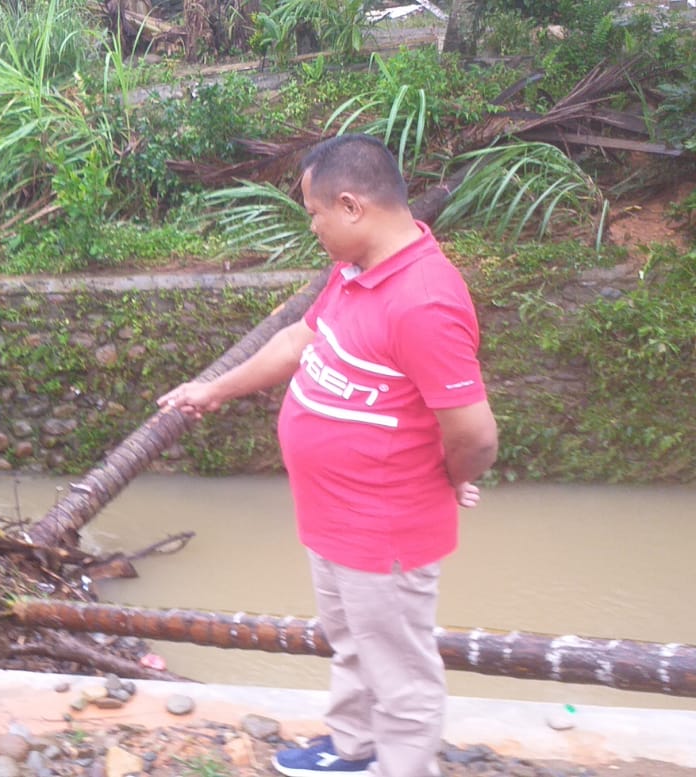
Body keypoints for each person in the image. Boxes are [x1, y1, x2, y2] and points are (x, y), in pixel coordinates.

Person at [156, 134, 499, 777]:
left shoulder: (425, 300)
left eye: (313, 213)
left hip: (386, 528)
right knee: (352, 645)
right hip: (333, 520)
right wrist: (213, 391)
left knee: (399, 669)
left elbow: (475, 434)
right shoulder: (356, 273)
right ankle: (353, 748)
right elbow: (298, 340)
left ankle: (403, 766)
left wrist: (451, 480)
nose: (312, 226)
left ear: (350, 207)